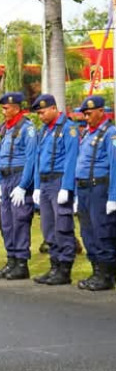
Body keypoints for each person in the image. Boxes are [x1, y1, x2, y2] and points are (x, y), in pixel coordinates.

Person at [31, 94, 79, 285]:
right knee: (48, 227)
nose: (40, 116)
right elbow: (37, 158)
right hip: (44, 183)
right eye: (38, 113)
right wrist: (36, 186)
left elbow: (71, 159)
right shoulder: (43, 130)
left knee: (63, 226)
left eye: (42, 112)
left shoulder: (68, 129)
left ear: (53, 108)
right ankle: (54, 266)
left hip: (59, 181)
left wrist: (66, 187)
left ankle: (64, 269)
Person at [0, 92, 37, 281]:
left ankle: (21, 263)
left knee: (19, 221)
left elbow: (31, 158)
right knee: (6, 223)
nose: (4, 112)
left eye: (6, 108)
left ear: (17, 108)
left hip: (18, 178)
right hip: (5, 179)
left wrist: (23, 185)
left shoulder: (27, 129)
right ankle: (11, 259)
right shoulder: (5, 129)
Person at [74, 95, 116, 291]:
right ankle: (96, 270)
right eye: (85, 114)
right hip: (84, 189)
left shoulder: (110, 134)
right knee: (87, 231)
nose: (87, 117)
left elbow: (115, 166)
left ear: (101, 111)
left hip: (99, 188)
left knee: (102, 231)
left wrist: (113, 197)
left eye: (90, 113)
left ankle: (106, 275)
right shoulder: (88, 135)